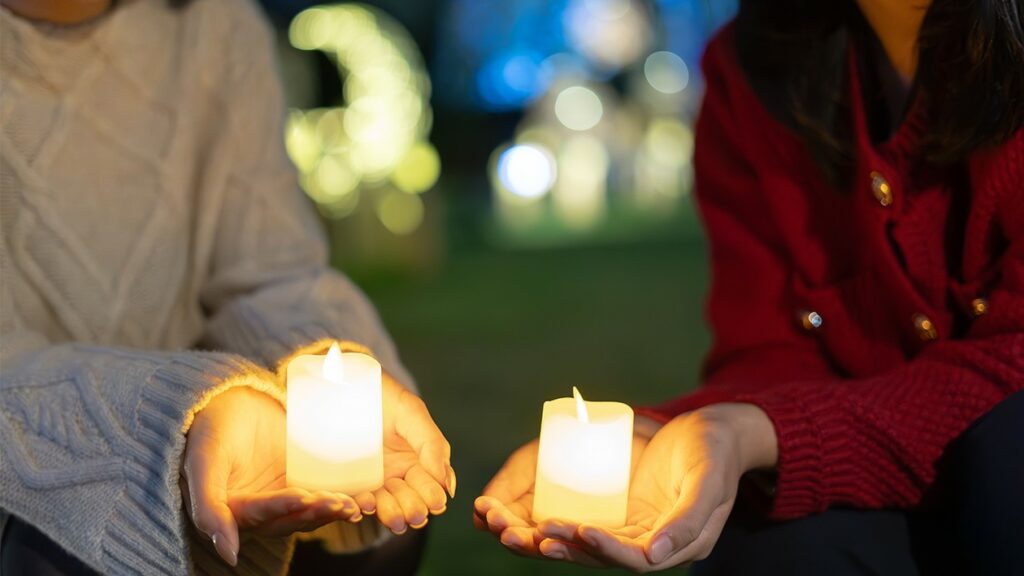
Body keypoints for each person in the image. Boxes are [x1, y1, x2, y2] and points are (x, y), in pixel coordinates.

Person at [476, 0, 1024, 573]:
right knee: (767, 547)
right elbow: (772, 350)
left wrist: (759, 431)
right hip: (891, 485)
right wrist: (666, 435)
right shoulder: (759, 71)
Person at [0, 0, 455, 574]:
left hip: (223, 451)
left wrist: (317, 358)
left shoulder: (218, 25)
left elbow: (270, 269)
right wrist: (175, 418)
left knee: (378, 527)